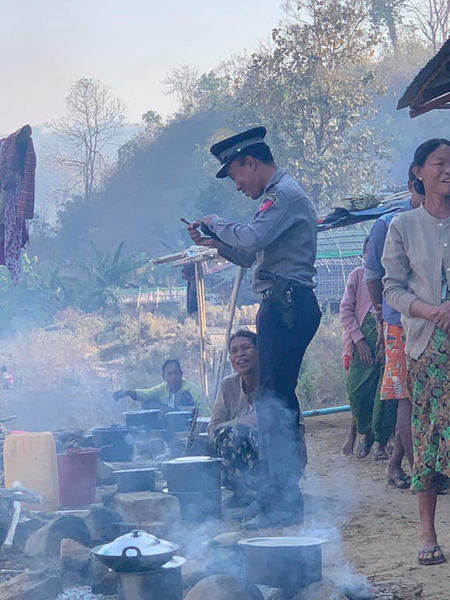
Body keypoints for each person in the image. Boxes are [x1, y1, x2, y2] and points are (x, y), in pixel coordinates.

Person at [187, 126, 321, 529]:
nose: (237, 185)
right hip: (281, 304)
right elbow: (250, 256)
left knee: (275, 407)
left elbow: (251, 237)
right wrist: (216, 243)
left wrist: (215, 221)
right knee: (271, 404)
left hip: (288, 306)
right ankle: (274, 494)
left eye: (236, 176)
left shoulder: (283, 196)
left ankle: (284, 499)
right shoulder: (275, 198)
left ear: (250, 162)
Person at [383, 138, 450, 566]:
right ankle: (426, 531)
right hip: (427, 346)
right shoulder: (403, 226)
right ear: (418, 172)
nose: (448, 170)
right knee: (428, 436)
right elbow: (392, 287)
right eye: (440, 163)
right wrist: (432, 310)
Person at [364, 166, 424, 488]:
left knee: (420, 396)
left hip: (431, 321)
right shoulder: (387, 224)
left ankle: (397, 465)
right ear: (411, 186)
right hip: (399, 322)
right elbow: (372, 275)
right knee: (406, 397)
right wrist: (379, 315)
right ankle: (419, 471)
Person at [340, 238, 386, 459]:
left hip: (387, 345)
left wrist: (384, 343)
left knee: (383, 395)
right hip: (360, 344)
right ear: (364, 254)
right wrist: (359, 341)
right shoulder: (358, 275)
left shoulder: (392, 278)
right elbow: (346, 311)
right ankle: (364, 433)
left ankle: (380, 442)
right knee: (356, 392)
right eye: (370, 252)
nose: (373, 257)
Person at [208, 330, 259, 506]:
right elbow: (213, 428)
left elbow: (295, 427)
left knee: (260, 433)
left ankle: (269, 494)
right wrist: (239, 422)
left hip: (279, 460)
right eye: (234, 351)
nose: (240, 354)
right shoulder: (228, 385)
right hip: (244, 464)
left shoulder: (275, 381)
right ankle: (242, 494)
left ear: (259, 351)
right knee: (227, 435)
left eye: (246, 348)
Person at [114, 359, 209, 416]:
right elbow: (147, 393)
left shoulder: (191, 389)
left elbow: (205, 413)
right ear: (163, 376)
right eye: (169, 374)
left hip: (190, 428)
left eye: (175, 373)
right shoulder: (163, 388)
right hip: (170, 429)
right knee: (147, 404)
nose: (173, 377)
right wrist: (129, 393)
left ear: (181, 374)